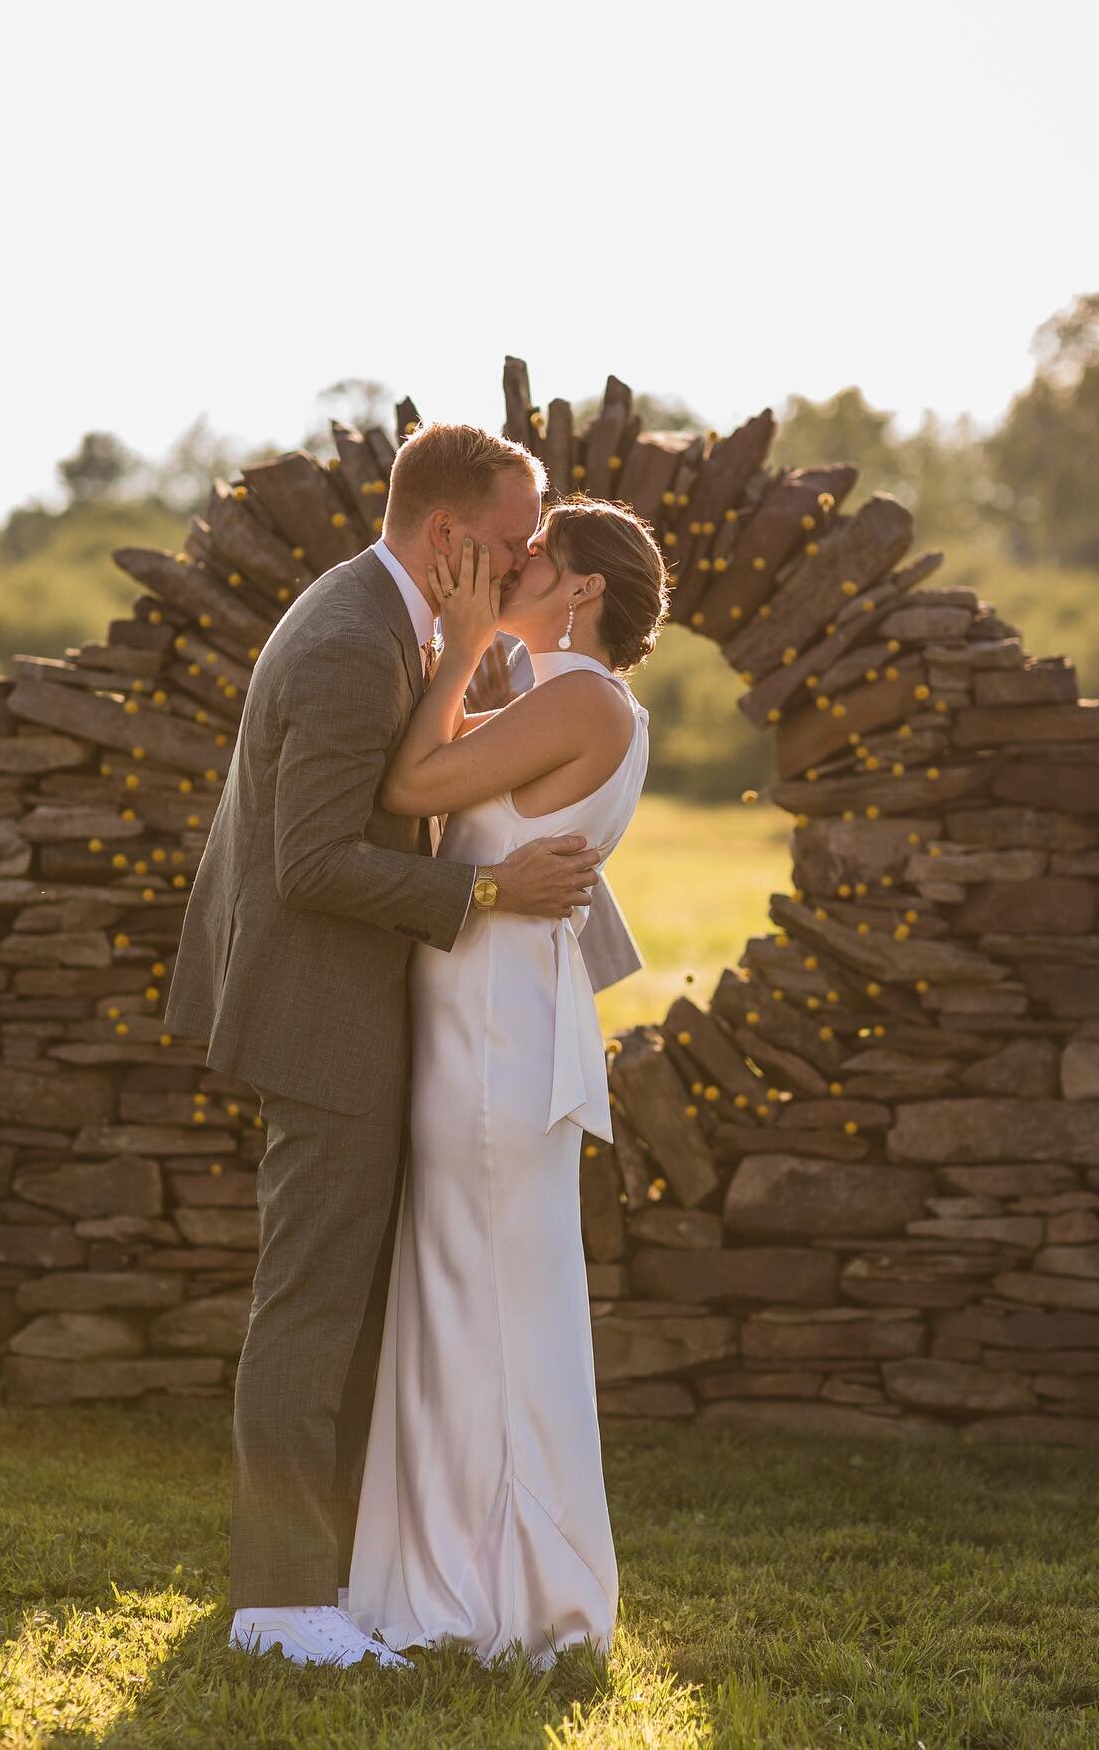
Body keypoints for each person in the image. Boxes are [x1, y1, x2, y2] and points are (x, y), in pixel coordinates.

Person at [162, 422, 640, 1669]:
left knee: (374, 1309)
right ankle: (276, 1604)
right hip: (322, 1013)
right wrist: (486, 898)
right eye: (509, 538)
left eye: (540, 546)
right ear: (447, 536)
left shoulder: (412, 627)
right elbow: (314, 859)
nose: (525, 554)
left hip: (404, 1018)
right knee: (312, 1306)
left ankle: (363, 1581)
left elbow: (492, 776)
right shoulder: (345, 641)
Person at [346, 494, 666, 1668]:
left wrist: (467, 640)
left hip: (495, 1032)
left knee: (488, 1302)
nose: (514, 562)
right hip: (478, 1017)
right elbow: (442, 772)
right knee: (462, 1296)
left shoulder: (581, 695)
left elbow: (412, 784)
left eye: (538, 556)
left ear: (583, 590)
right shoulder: (554, 701)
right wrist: (468, 659)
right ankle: (451, 1576)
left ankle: (511, 1600)